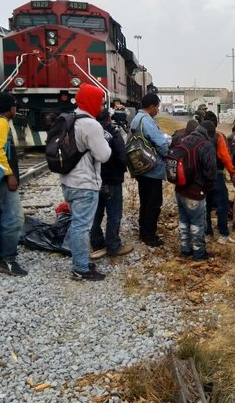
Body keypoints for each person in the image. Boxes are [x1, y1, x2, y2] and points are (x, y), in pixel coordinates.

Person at [60, 83, 111, 281]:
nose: (101, 108)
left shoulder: (70, 118)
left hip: (68, 181)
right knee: (82, 226)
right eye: (99, 103)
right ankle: (80, 268)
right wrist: (106, 141)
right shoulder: (91, 125)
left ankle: (79, 260)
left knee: (77, 224)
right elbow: (104, 155)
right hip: (85, 184)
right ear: (92, 102)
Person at [0, 92, 27, 276]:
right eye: (14, 106)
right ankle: (9, 260)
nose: (15, 109)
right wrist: (9, 174)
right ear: (11, 108)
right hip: (1, 179)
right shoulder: (1, 123)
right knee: (14, 219)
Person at [90, 109, 132, 259]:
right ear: (109, 118)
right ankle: (113, 246)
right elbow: (122, 156)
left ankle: (96, 243)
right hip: (112, 180)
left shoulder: (90, 133)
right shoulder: (114, 133)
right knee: (114, 214)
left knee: (96, 213)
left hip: (94, 180)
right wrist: (122, 171)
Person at [130, 93, 171, 247]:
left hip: (140, 166)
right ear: (152, 106)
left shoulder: (136, 119)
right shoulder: (147, 120)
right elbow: (161, 143)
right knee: (154, 202)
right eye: (157, 107)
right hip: (151, 168)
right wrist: (168, 154)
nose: (158, 110)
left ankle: (143, 230)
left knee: (145, 200)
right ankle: (149, 235)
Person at [175, 121, 217, 260]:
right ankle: (199, 253)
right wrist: (207, 189)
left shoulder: (184, 140)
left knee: (183, 221)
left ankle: (185, 249)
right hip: (195, 191)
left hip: (180, 188)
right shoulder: (206, 145)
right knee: (197, 223)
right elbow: (211, 172)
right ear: (210, 133)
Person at [202, 111, 235, 243]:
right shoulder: (218, 136)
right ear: (215, 124)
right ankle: (223, 234)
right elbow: (225, 157)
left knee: (206, 205)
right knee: (222, 204)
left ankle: (207, 232)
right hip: (217, 175)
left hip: (203, 177)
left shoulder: (198, 137)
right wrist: (232, 172)